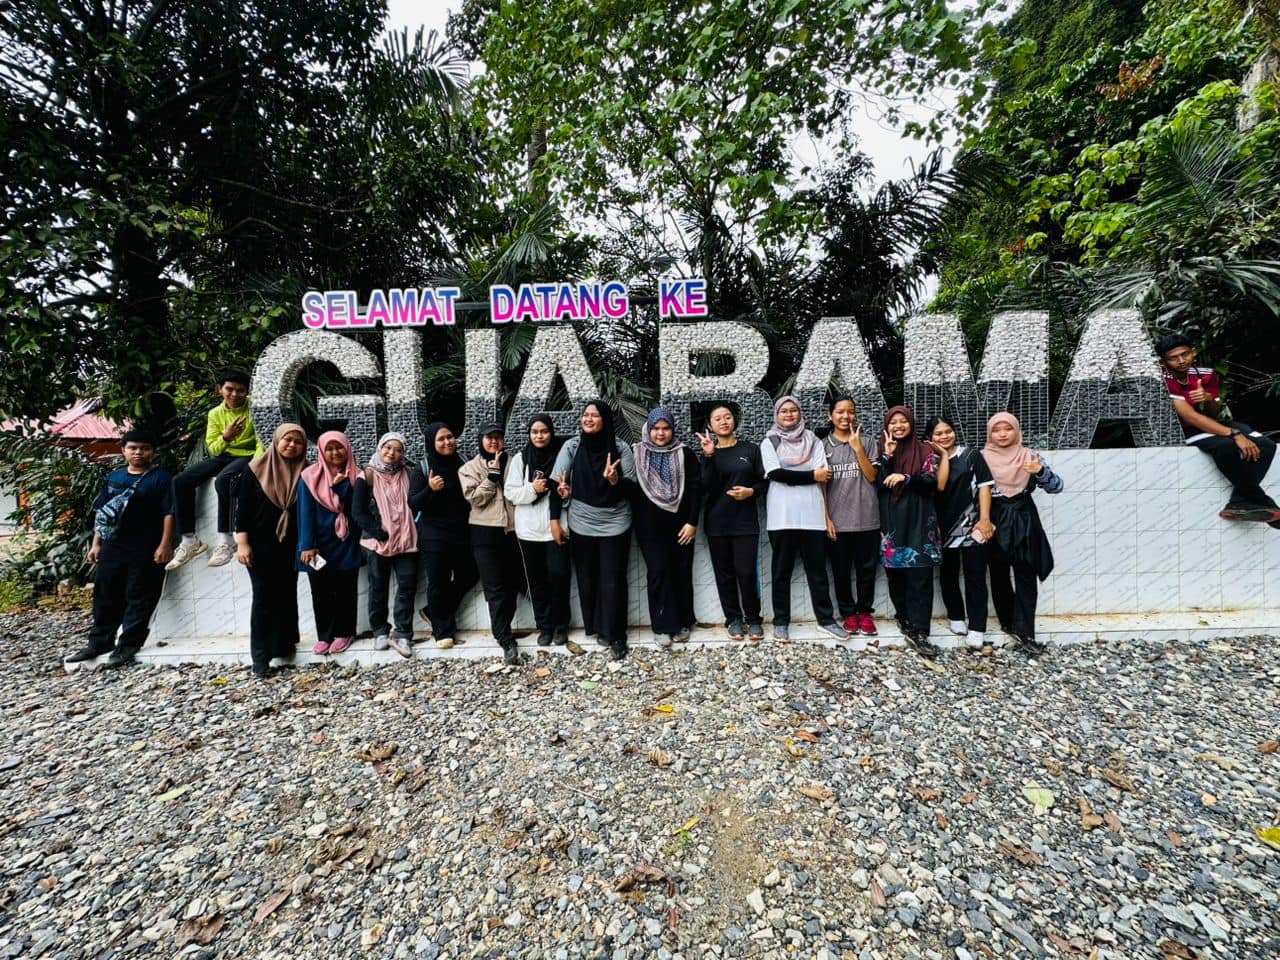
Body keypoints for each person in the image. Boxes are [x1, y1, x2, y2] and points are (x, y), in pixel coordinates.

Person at [65, 430, 175, 668]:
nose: (138, 453)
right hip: (113, 544)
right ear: (123, 450)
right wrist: (96, 544)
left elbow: (169, 513)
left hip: (146, 544)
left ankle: (128, 645)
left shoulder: (161, 478)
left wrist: (165, 544)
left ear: (152, 452)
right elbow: (103, 514)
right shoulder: (114, 477)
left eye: (144, 448)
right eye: (133, 448)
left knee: (140, 594)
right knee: (105, 593)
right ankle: (99, 642)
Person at [1157, 334, 1279, 526]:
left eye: (1185, 354)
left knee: (1266, 445)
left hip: (1210, 422)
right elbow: (1190, 417)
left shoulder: (1206, 374)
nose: (1181, 361)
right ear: (1163, 362)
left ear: (1193, 352)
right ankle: (1263, 502)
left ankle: (1239, 502)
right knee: (1225, 446)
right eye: (1173, 358)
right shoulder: (1163, 379)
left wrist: (1206, 398)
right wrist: (1234, 434)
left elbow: (1214, 411)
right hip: (1184, 430)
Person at [550, 400, 636, 661]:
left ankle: (616, 634)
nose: (588, 419)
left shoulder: (621, 448)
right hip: (581, 522)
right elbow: (558, 484)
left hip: (615, 522)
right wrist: (555, 519)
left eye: (595, 415)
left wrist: (615, 481)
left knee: (613, 579)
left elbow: (633, 490)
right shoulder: (572, 447)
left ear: (605, 419)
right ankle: (599, 627)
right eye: (585, 415)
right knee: (588, 579)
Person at [759, 396, 849, 642]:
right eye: (783, 411)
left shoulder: (813, 440)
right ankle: (780, 622)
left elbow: (824, 476)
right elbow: (775, 473)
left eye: (793, 410)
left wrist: (825, 511)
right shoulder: (769, 441)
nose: (788, 415)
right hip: (782, 517)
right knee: (781, 573)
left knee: (818, 572)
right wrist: (811, 475)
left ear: (800, 414)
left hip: (813, 517)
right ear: (776, 415)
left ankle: (826, 620)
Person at [982, 412, 1063, 655]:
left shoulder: (1030, 456)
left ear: (1017, 431)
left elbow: (1056, 487)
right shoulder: (982, 457)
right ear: (990, 433)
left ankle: (1026, 629)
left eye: (1008, 429)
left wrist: (1039, 472)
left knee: (1026, 573)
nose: (1003, 434)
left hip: (1024, 517)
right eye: (997, 430)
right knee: (998, 573)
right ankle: (1009, 622)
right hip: (994, 517)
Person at [168, 369, 264, 570]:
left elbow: (260, 441)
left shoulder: (255, 408)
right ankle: (189, 540)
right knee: (180, 481)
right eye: (229, 389)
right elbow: (213, 448)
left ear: (247, 391)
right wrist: (226, 437)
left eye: (240, 390)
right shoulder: (215, 413)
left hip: (247, 455)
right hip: (224, 454)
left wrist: (256, 463)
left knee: (224, 480)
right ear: (220, 389)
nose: (234, 395)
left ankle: (227, 539)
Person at [235, 423, 307, 678]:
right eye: (287, 440)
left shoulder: (306, 471)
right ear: (276, 441)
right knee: (264, 598)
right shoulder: (255, 470)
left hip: (291, 545)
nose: (292, 445)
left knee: (286, 594)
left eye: (298, 441)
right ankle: (261, 657)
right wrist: (242, 544)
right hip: (260, 546)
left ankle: (283, 646)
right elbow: (242, 511)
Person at [876, 406, 947, 658]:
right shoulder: (883, 449)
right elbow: (878, 482)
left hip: (920, 520)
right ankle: (904, 619)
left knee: (921, 577)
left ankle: (920, 630)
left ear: (911, 423)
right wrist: (887, 456)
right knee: (896, 575)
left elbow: (931, 482)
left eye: (903, 421)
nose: (898, 426)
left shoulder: (926, 450)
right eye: (893, 422)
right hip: (894, 522)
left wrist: (906, 477)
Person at [633, 407, 702, 649]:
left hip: (682, 526)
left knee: (681, 571)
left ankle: (684, 622)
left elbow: (695, 490)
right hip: (649, 527)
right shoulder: (637, 453)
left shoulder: (685, 453)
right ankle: (662, 626)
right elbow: (628, 489)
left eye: (666, 428)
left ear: (672, 429)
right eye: (656, 428)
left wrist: (692, 523)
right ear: (648, 429)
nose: (661, 433)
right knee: (658, 572)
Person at [696, 404, 766, 641]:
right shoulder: (708, 453)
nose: (723, 421)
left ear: (734, 421)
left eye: (727, 417)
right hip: (717, 524)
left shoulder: (751, 449)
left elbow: (764, 482)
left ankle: (753, 619)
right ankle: (733, 619)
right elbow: (706, 486)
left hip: (745, 523)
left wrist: (751, 492)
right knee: (724, 574)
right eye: (717, 418)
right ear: (711, 425)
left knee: (747, 573)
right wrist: (708, 456)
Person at [927, 415, 995, 650]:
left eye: (948, 431)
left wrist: (985, 519)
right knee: (948, 574)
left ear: (955, 432)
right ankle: (956, 616)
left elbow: (985, 486)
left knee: (976, 576)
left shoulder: (971, 456)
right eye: (938, 433)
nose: (944, 436)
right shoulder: (929, 461)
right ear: (930, 438)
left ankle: (977, 627)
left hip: (972, 526)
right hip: (942, 527)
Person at [460, 422, 525, 665]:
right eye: (489, 438)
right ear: (481, 440)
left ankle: (503, 628)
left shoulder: (515, 463)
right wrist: (491, 477)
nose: (494, 442)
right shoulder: (468, 468)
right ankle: (505, 638)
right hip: (484, 534)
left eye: (498, 437)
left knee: (512, 585)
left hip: (513, 531)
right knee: (494, 587)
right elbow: (475, 499)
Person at [409, 423, 478, 650]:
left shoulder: (465, 462)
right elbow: (413, 503)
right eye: (441, 439)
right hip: (434, 534)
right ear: (432, 443)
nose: (448, 442)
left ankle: (433, 611)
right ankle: (443, 631)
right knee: (438, 582)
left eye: (450, 437)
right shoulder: (423, 468)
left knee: (469, 574)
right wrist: (430, 489)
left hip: (463, 531)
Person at [504, 414, 571, 647]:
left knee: (559, 577)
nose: (539, 436)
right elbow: (510, 493)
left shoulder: (561, 457)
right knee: (537, 582)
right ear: (529, 434)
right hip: (529, 531)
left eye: (544, 431)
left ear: (551, 433)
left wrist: (565, 495)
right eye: (535, 432)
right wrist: (532, 488)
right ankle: (545, 627)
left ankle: (561, 626)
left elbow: (567, 491)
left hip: (556, 529)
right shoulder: (522, 459)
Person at [351, 433, 418, 658]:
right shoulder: (367, 475)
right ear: (380, 448)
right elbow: (357, 511)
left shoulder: (408, 473)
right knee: (378, 587)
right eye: (388, 448)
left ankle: (403, 633)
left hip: (407, 540)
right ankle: (380, 630)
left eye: (398, 450)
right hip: (377, 543)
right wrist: (377, 531)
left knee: (407, 586)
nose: (392, 453)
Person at [298, 430, 363, 656]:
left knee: (346, 588)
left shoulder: (358, 475)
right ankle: (325, 635)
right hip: (318, 545)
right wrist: (307, 544)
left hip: (346, 542)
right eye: (330, 448)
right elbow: (305, 513)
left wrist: (342, 486)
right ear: (321, 452)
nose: (335, 453)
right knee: (321, 589)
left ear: (347, 448)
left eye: (339, 447)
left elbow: (357, 509)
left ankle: (345, 632)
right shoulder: (309, 476)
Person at [822, 396, 882, 639]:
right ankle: (848, 613)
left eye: (850, 412)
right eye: (840, 412)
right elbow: (821, 487)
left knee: (867, 571)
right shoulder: (822, 445)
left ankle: (865, 612)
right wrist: (826, 518)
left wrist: (858, 449)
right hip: (838, 522)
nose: (846, 416)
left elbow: (872, 477)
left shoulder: (867, 442)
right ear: (830, 416)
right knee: (841, 571)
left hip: (867, 518)